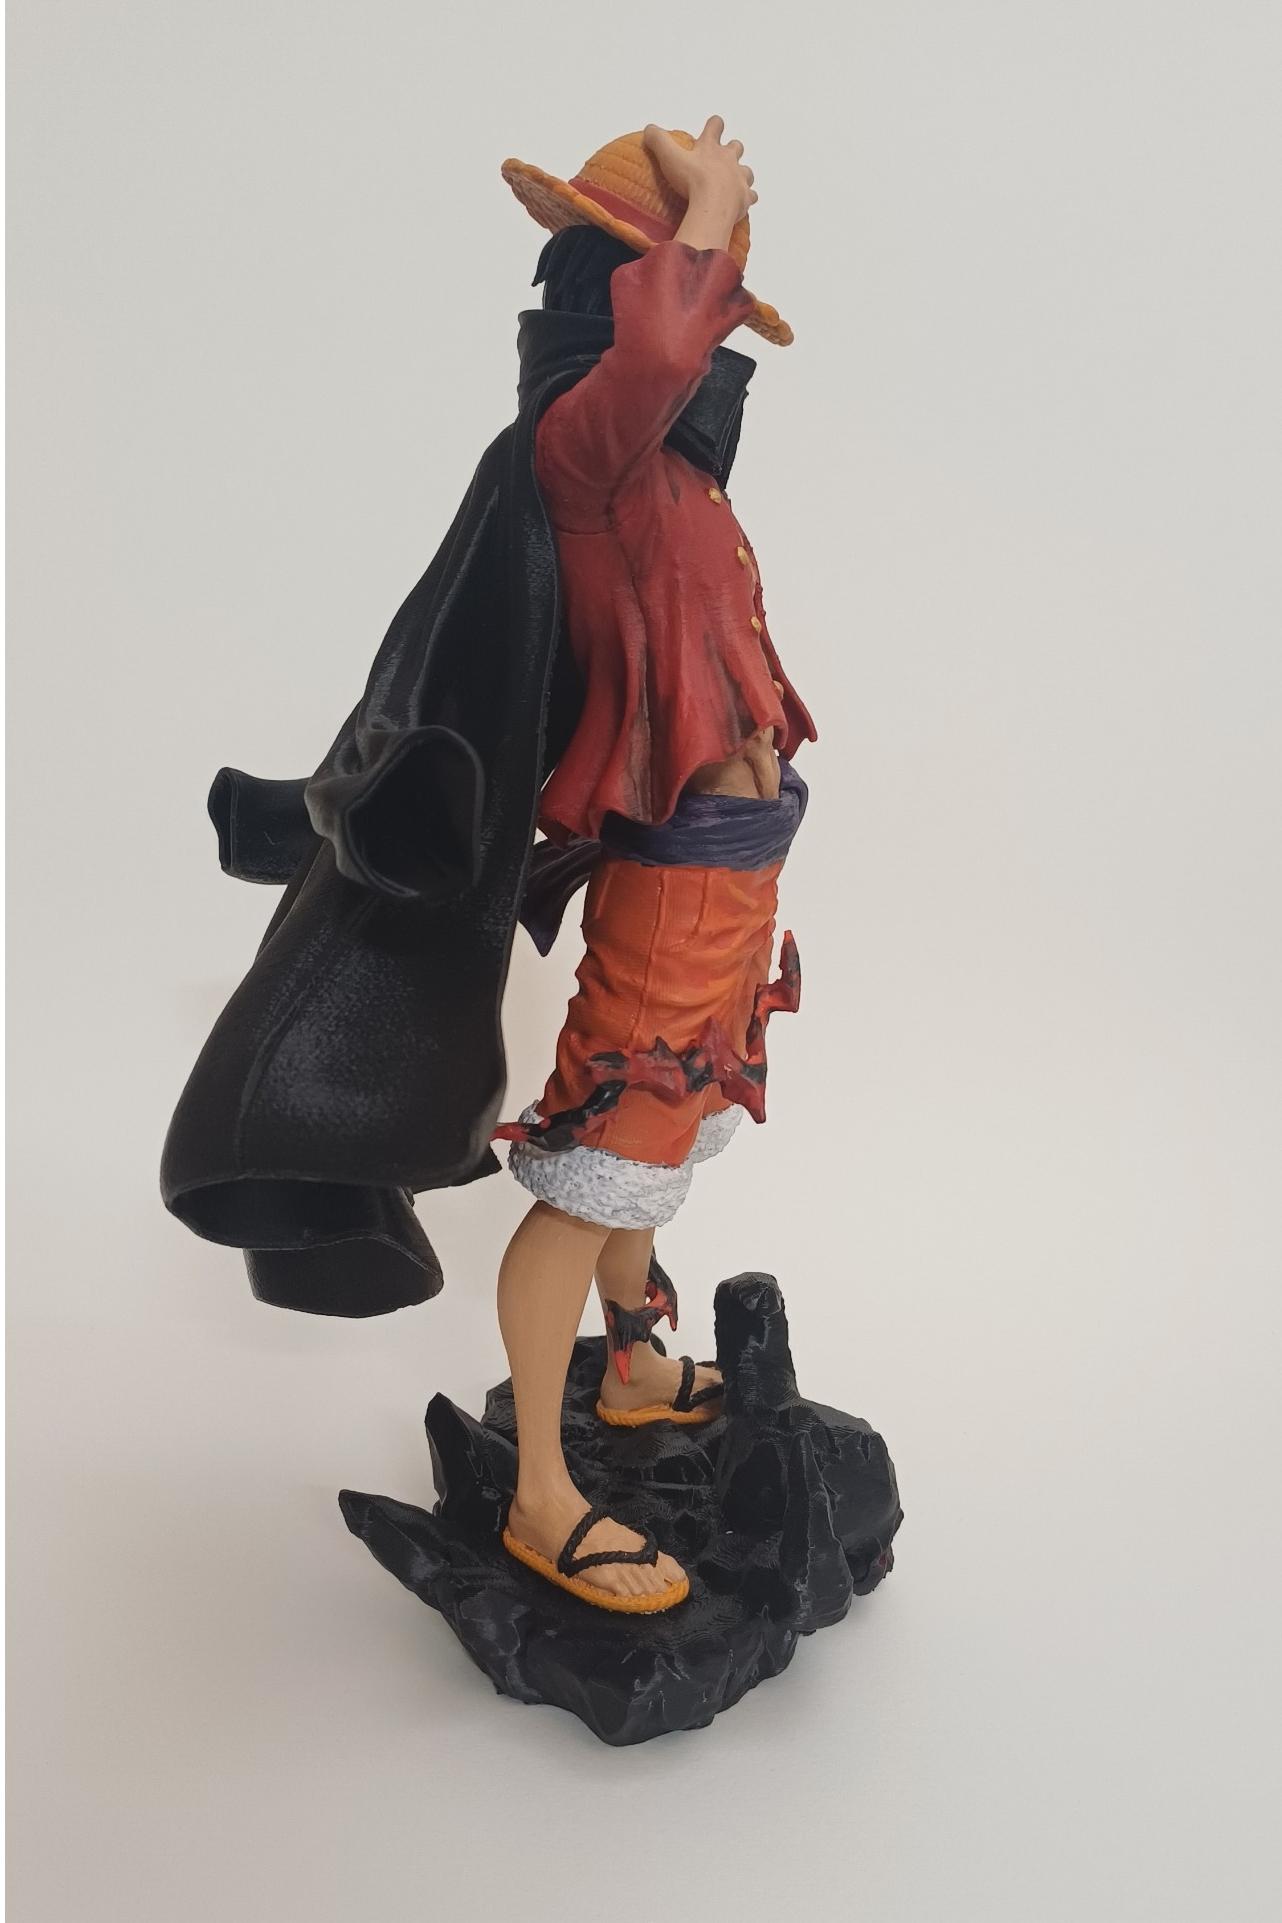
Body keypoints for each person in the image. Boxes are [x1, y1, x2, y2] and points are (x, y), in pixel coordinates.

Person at [493, 118, 816, 1611]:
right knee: (598, 1160)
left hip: (735, 867)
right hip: (677, 873)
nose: (715, 340)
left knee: (665, 1130)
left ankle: (629, 1369)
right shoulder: (587, 442)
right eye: (698, 292)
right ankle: (538, 1499)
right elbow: (659, 353)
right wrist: (714, 208)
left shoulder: (668, 472)